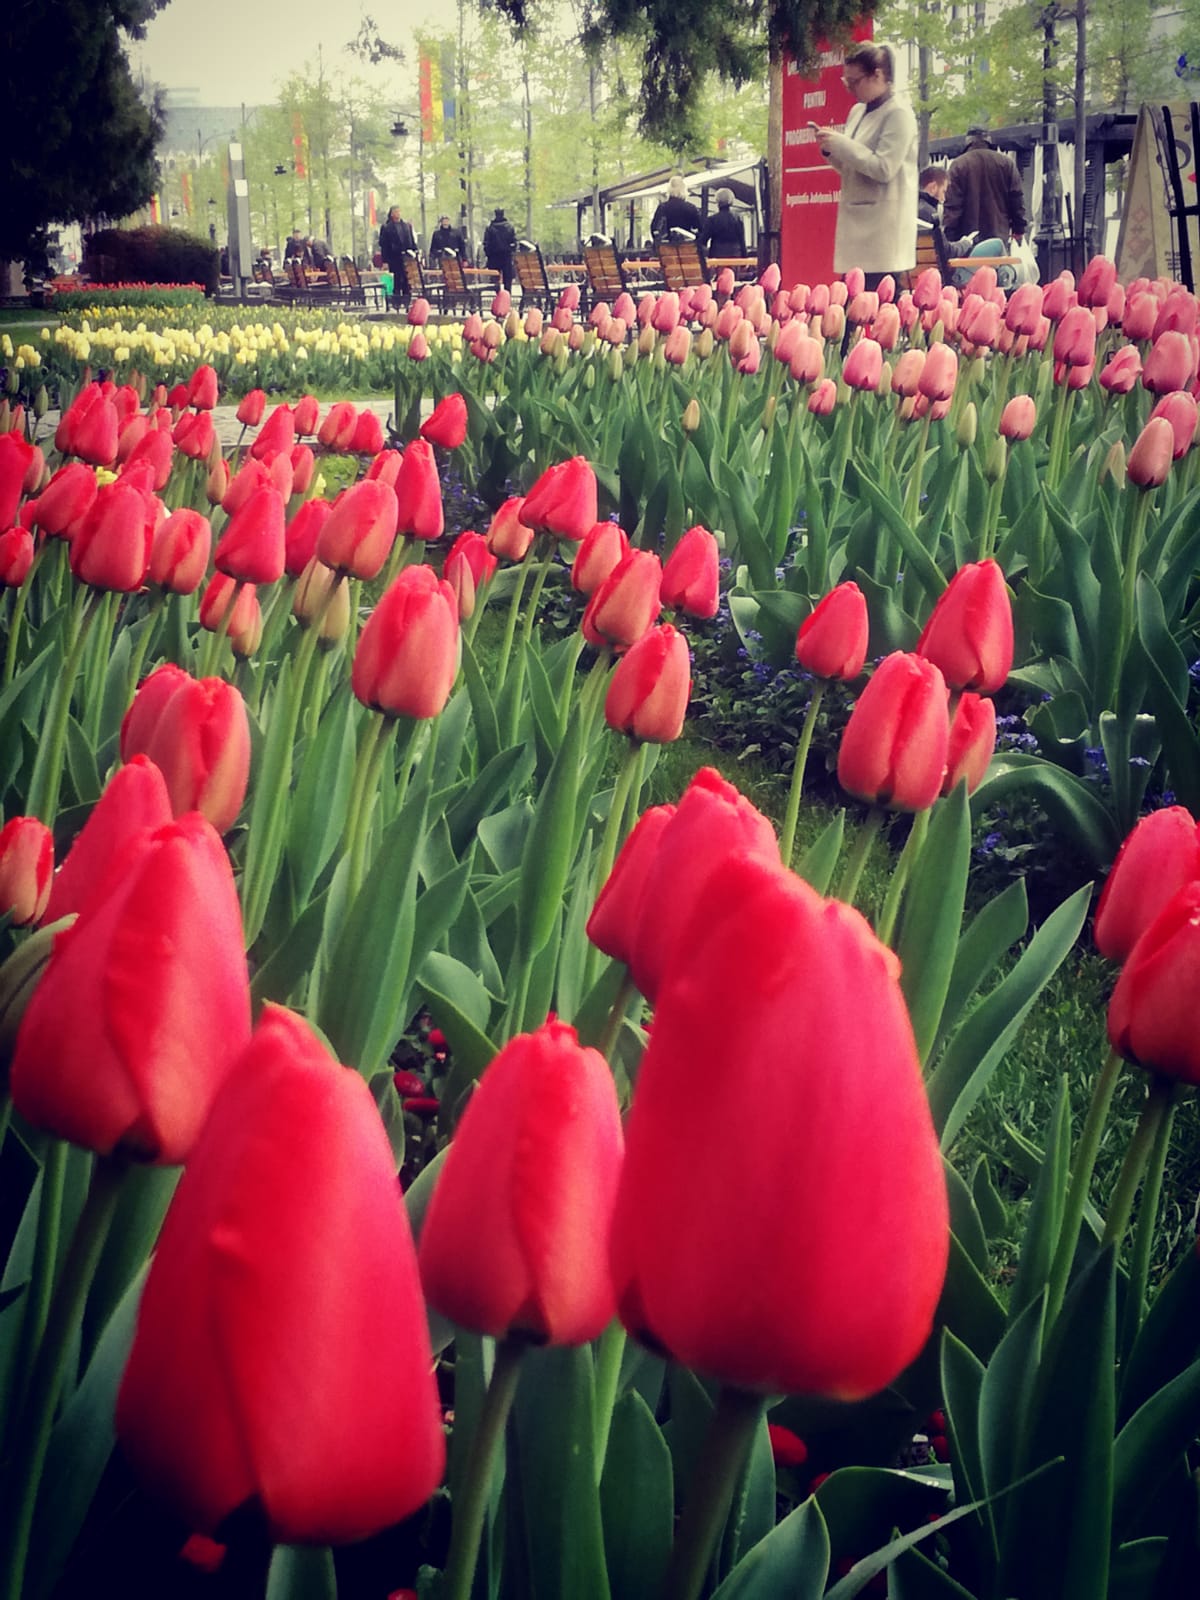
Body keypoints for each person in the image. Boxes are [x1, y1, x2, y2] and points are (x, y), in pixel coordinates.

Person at [813, 42, 918, 290]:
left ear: (878, 75)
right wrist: (830, 149)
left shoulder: (899, 113)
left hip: (882, 231)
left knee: (878, 301)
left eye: (855, 81)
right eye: (846, 81)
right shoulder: (857, 111)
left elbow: (884, 168)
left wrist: (842, 144)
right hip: (855, 225)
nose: (850, 88)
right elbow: (852, 167)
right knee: (850, 300)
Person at [942, 125, 1027, 245]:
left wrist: (949, 237)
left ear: (968, 142)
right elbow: (1016, 198)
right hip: (999, 238)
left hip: (967, 239)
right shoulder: (1006, 163)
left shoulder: (958, 165)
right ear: (989, 140)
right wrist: (1019, 229)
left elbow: (952, 206)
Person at [379, 205, 417, 306]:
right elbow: (384, 245)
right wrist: (385, 261)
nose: (398, 213)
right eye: (396, 212)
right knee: (397, 279)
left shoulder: (406, 226)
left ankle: (406, 300)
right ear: (391, 214)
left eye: (399, 211)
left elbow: (412, 241)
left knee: (406, 279)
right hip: (394, 258)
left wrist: (415, 252)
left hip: (407, 258)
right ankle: (396, 301)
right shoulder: (386, 227)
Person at [650, 175, 702, 240]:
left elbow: (654, 228)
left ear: (669, 190)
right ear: (684, 189)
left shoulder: (662, 207)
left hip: (666, 244)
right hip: (686, 244)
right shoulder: (691, 208)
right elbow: (700, 229)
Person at [699, 188, 745, 256]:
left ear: (717, 201)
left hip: (716, 256)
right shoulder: (738, 218)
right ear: (731, 201)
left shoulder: (712, 219)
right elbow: (742, 241)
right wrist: (744, 257)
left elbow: (703, 240)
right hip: (735, 256)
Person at [483, 207, 517, 292]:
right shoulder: (509, 227)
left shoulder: (490, 228)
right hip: (506, 256)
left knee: (495, 279)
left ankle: (498, 294)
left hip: (493, 257)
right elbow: (514, 242)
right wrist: (511, 251)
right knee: (507, 279)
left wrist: (488, 254)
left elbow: (486, 243)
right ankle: (507, 295)